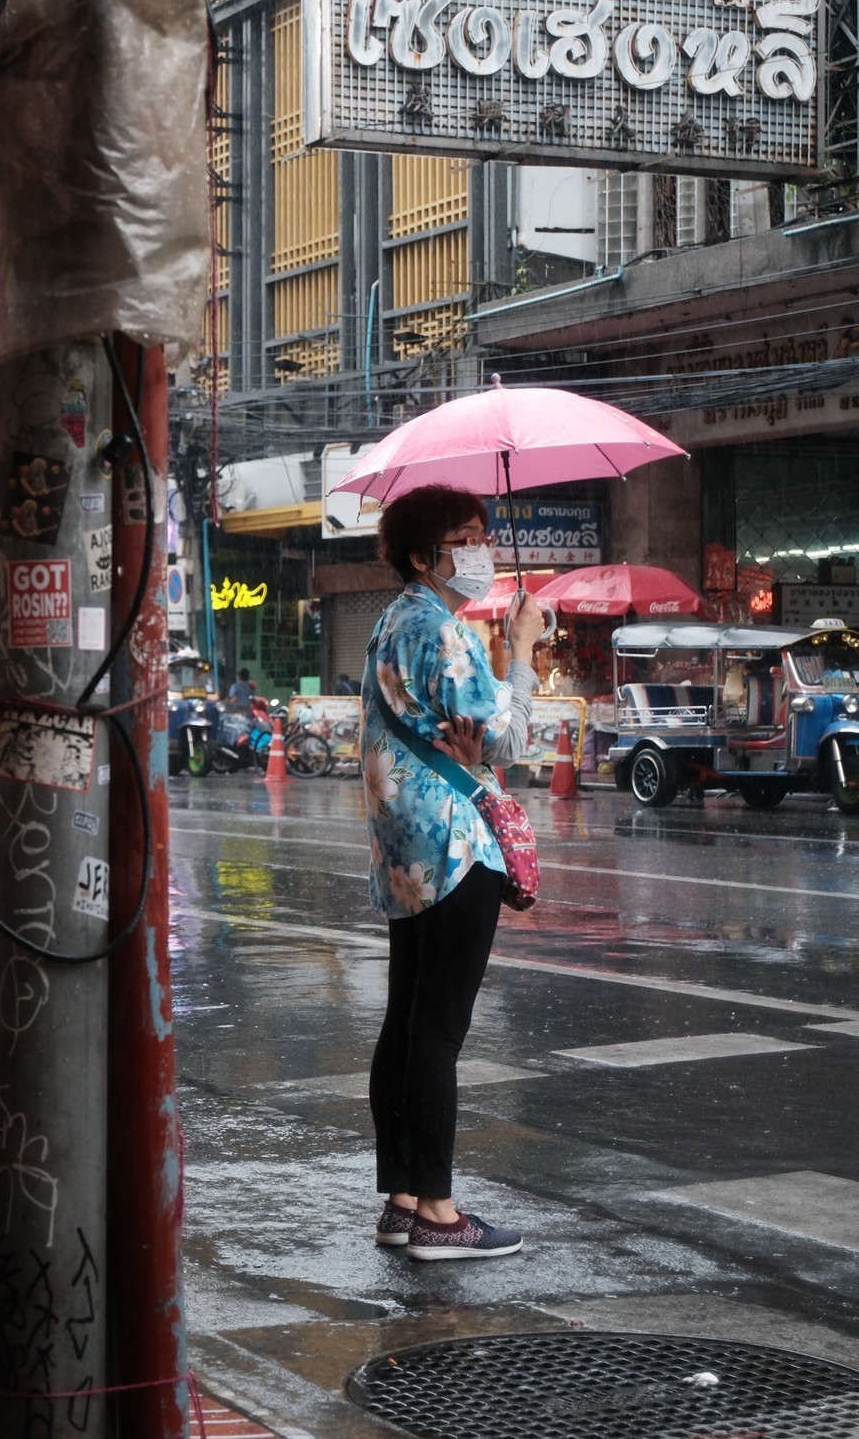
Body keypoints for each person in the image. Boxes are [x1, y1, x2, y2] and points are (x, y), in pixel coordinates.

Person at [360, 484, 541, 1261]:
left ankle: (402, 1194)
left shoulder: (393, 622)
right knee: (438, 1031)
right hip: (457, 846)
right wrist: (525, 649)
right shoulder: (443, 631)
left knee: (407, 1020)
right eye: (463, 538)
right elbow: (503, 741)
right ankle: (438, 1210)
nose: (479, 552)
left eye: (480, 535)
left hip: (406, 850)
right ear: (421, 553)